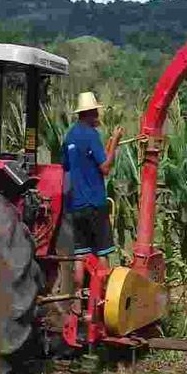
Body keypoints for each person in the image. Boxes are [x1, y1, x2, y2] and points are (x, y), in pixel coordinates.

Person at [61, 91, 123, 307]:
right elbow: (105, 167)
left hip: (75, 205)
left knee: (80, 253)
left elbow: (67, 167)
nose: (98, 114)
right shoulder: (91, 135)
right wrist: (115, 141)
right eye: (96, 111)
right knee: (102, 250)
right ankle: (103, 298)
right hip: (95, 203)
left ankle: (78, 300)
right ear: (90, 113)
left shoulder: (69, 136)